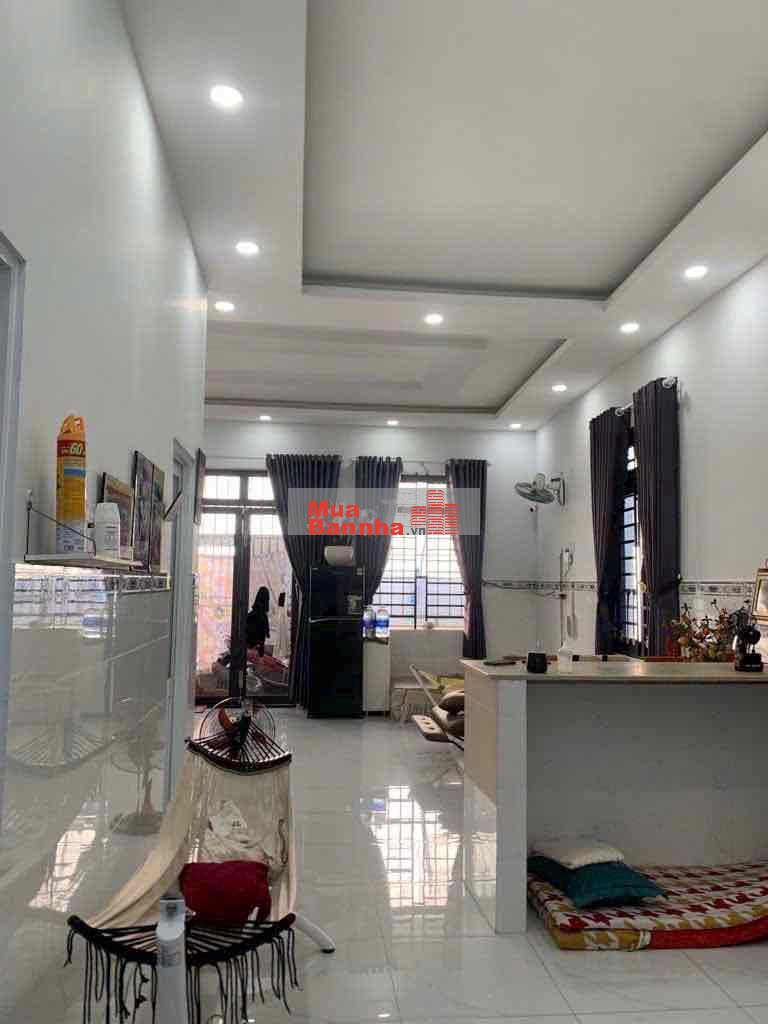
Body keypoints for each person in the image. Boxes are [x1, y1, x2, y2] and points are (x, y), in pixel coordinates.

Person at [246, 586, 270, 656]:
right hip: (256, 650)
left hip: (248, 648)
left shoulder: (251, 614)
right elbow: (264, 636)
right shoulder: (263, 616)